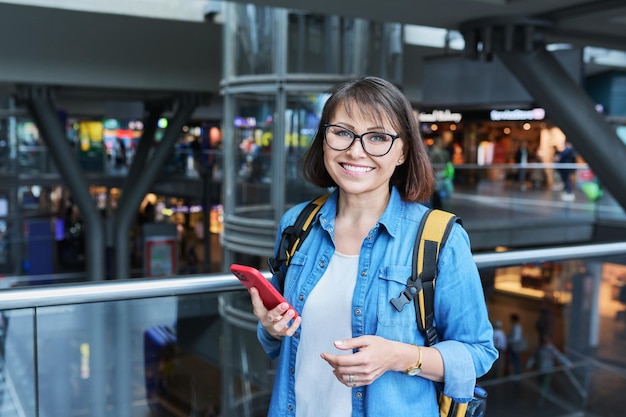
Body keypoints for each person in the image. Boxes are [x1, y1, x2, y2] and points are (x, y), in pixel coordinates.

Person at [247, 76, 497, 417]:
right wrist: (271, 326)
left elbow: (478, 353)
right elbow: (280, 343)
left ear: (403, 151)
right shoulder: (296, 224)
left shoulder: (440, 238)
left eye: (378, 137)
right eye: (342, 132)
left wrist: (399, 356)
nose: (355, 150)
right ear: (324, 139)